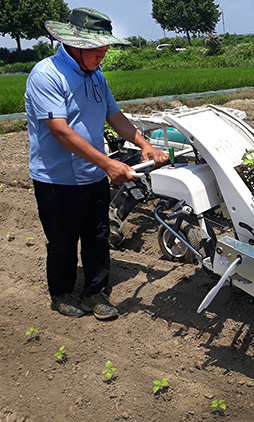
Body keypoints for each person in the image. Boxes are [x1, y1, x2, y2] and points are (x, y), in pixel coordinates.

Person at [25, 8, 168, 320]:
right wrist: (108, 164)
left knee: (97, 235)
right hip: (56, 178)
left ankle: (95, 292)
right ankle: (61, 293)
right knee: (63, 241)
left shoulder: (98, 78)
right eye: (97, 48)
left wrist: (144, 145)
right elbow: (59, 129)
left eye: (105, 47)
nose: (103, 53)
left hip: (91, 175)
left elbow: (114, 116)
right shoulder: (46, 75)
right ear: (73, 45)